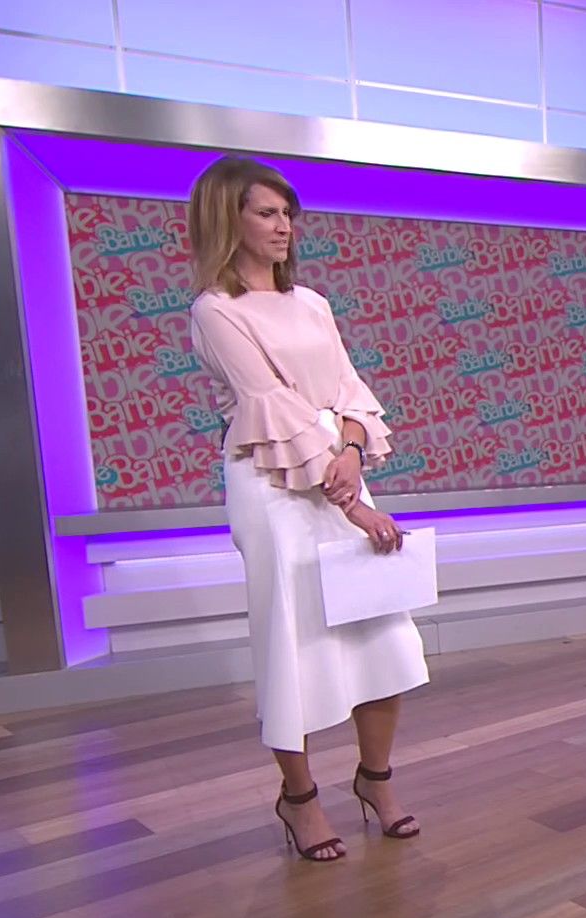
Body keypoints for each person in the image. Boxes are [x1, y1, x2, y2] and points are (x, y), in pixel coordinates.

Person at [187, 156, 430, 863]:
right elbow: (274, 409)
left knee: (381, 633)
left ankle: (375, 781)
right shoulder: (216, 310)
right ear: (227, 218)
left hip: (340, 470)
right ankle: (299, 799)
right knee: (292, 642)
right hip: (272, 484)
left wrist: (351, 452)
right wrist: (352, 505)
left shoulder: (314, 302)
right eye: (266, 212)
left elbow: (349, 390)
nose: (283, 226)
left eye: (287, 214)